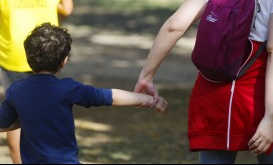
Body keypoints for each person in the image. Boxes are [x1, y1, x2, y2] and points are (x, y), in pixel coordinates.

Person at [134, 0, 273, 164]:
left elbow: (174, 26)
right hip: (264, 93)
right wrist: (271, 118)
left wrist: (146, 76)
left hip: (214, 93)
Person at [0, 23, 168, 164]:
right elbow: (110, 97)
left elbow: (3, 124)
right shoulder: (68, 88)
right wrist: (148, 99)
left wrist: (27, 119)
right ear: (63, 61)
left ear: (28, 58)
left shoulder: (17, 90)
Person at [0, 0, 73, 163]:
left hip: (13, 52)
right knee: (46, 106)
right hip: (48, 50)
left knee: (14, 110)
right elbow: (67, 8)